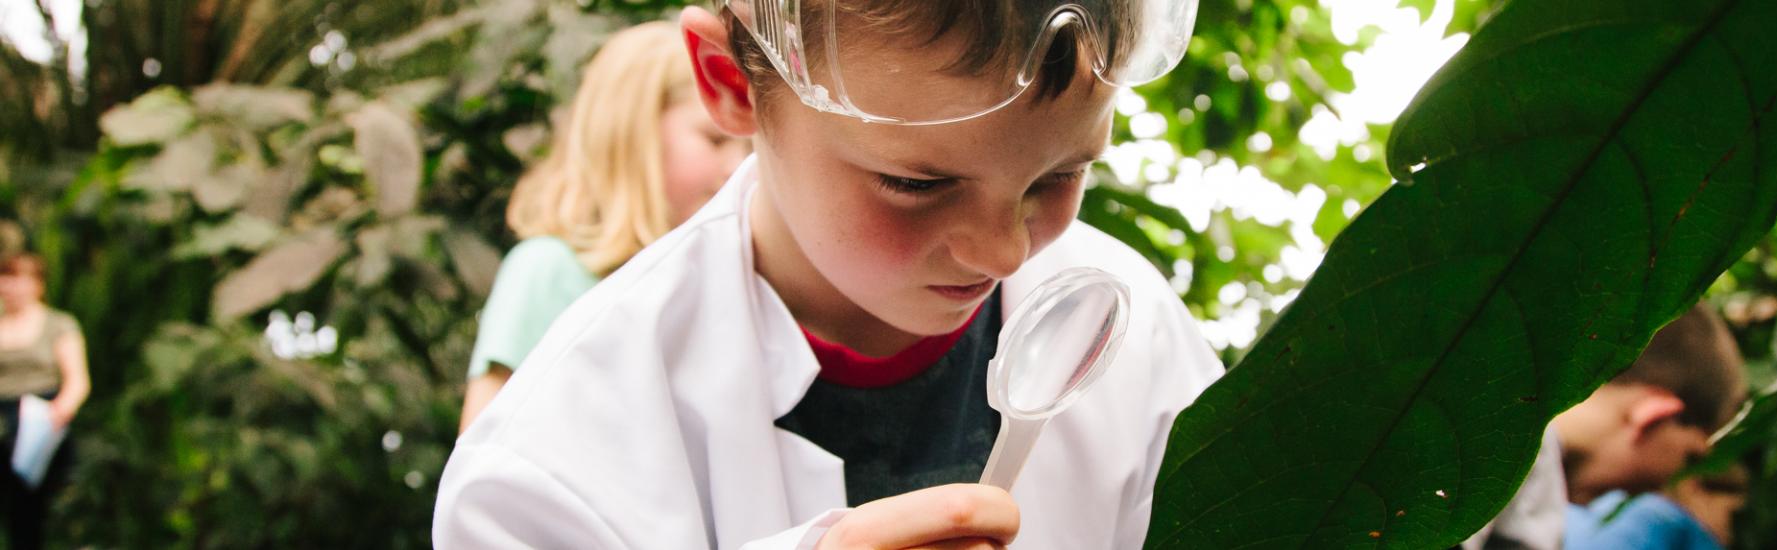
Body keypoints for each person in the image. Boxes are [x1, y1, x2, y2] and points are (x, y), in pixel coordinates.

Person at [434, 0, 1219, 548]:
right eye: (917, 184)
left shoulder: (1137, 339)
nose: (1004, 252)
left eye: (1060, 175)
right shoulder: (553, 460)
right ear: (732, 82)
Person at [457, 21, 749, 432]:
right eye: (714, 140)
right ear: (634, 136)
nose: (737, 166)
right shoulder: (547, 272)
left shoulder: (718, 281)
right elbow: (483, 451)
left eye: (745, 147)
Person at [1463, 304, 1747, 550]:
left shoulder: (1532, 473)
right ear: (1652, 414)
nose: (1664, 486)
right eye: (1690, 459)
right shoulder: (1504, 442)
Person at [0, 251, 91, 550]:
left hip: (38, 423)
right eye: (5, 279)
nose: (10, 287)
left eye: (18, 279)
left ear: (37, 285)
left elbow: (77, 380)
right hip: (2, 418)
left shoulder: (58, 325)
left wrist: (59, 412)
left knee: (29, 510)